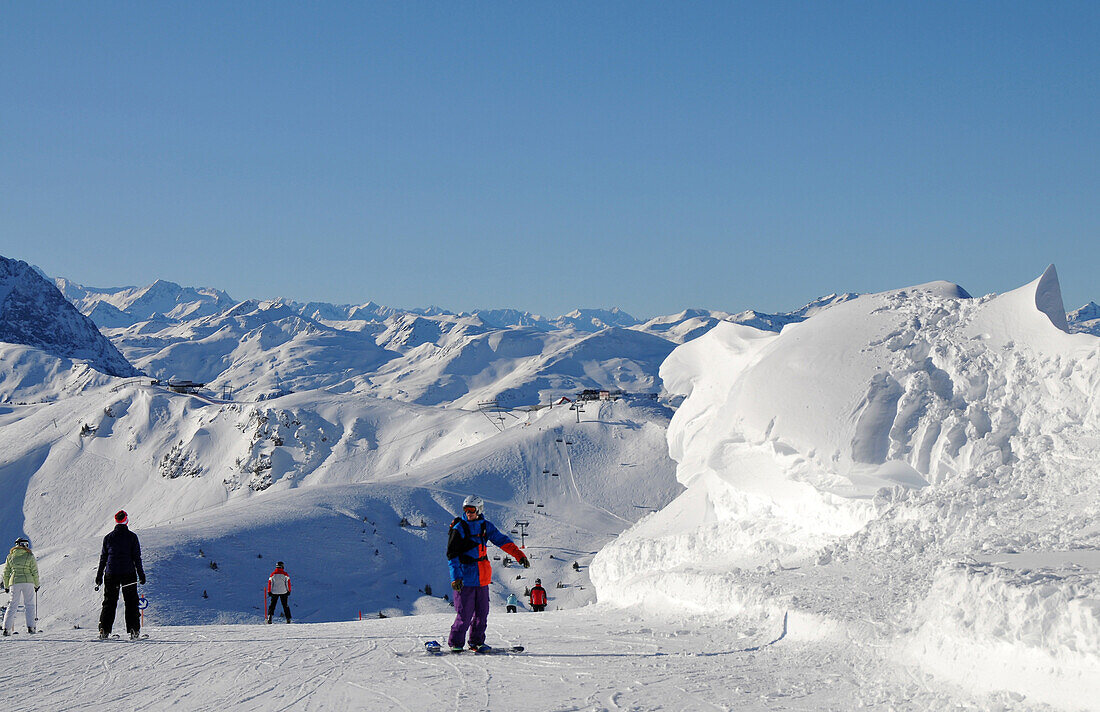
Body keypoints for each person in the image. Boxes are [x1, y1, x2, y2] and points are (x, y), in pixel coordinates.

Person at [447, 494, 529, 652]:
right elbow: (452, 555)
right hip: (465, 578)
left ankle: (476, 642)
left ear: (479, 509)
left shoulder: (485, 526)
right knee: (464, 615)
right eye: (466, 510)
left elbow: (502, 540)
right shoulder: (459, 528)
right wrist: (455, 577)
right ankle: (456, 643)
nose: (469, 513)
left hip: (482, 577)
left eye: (471, 510)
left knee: (482, 614)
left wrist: (519, 555)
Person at [95, 510, 146, 640]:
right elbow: (136, 558)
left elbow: (103, 559)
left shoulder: (108, 538)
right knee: (131, 601)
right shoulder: (132, 537)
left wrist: (99, 575)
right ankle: (134, 630)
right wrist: (141, 574)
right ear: (126, 521)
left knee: (109, 602)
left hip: (111, 573)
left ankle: (104, 630)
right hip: (128, 573)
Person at [2, 537, 39, 636]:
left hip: (14, 582)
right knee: (29, 604)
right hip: (28, 582)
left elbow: (6, 572)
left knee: (12, 604)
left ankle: (6, 629)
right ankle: (31, 627)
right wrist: (37, 584)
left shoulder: (10, 556)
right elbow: (34, 571)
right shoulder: (30, 556)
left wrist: (6, 586)